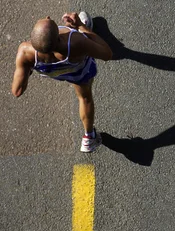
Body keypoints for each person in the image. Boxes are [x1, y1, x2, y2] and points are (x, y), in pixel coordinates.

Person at [11, 12, 113, 152]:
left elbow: (17, 91)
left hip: (58, 73)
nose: (47, 17)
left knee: (77, 89)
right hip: (79, 72)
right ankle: (89, 137)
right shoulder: (76, 42)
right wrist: (81, 27)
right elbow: (107, 54)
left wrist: (26, 68)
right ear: (58, 37)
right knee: (85, 98)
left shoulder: (25, 52)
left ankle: (90, 139)